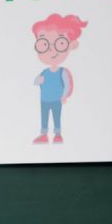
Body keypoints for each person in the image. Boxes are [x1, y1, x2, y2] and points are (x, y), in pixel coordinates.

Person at [31, 13, 88, 145]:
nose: (51, 49)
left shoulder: (62, 72)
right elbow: (36, 82)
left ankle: (58, 134)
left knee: (56, 117)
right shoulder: (44, 72)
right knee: (44, 117)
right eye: (44, 44)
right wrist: (38, 80)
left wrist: (64, 96)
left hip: (56, 99)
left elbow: (67, 85)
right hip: (44, 99)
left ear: (72, 45)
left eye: (60, 43)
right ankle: (44, 134)